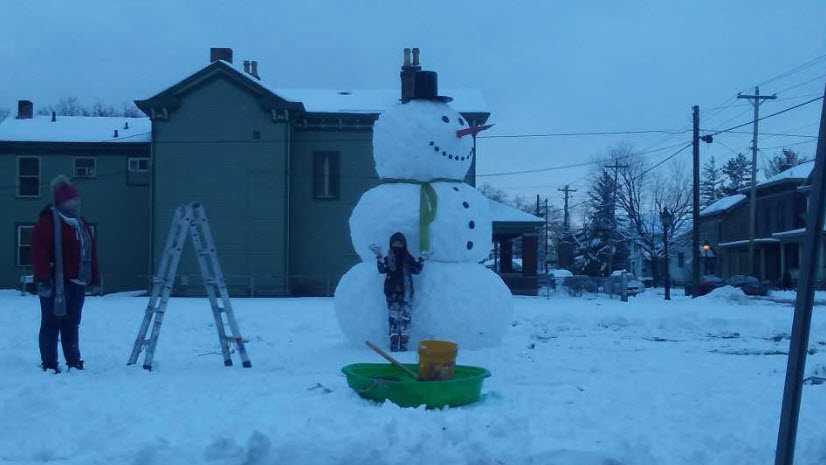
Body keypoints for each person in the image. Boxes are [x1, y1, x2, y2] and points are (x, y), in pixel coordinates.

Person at [31, 175, 99, 373]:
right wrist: (43, 278)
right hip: (55, 283)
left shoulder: (80, 223)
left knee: (72, 324)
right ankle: (50, 364)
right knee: (51, 323)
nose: (75, 203)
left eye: (76, 199)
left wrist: (94, 277)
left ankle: (73, 361)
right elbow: (39, 252)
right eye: (71, 200)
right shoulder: (48, 222)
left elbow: (90, 251)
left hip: (78, 282)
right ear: (61, 201)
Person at [370, 232, 425, 352]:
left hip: (407, 293)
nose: (397, 245)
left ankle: (404, 344)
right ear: (391, 244)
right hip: (392, 292)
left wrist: (422, 259)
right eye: (395, 242)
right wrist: (379, 256)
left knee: (405, 318)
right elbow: (382, 269)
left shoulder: (408, 257)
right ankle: (394, 343)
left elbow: (416, 270)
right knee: (393, 318)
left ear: (404, 244)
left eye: (399, 243)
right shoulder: (389, 257)